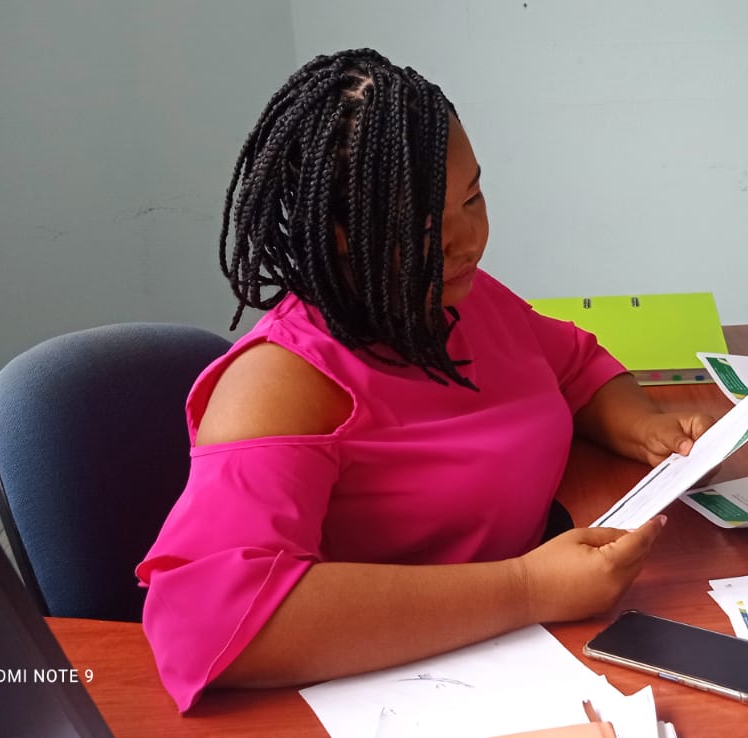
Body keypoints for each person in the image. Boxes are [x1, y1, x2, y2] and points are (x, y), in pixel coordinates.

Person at [137, 49, 715, 711]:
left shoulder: (458, 296)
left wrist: (643, 426)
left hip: (528, 646)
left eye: (473, 198)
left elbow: (575, 363)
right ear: (338, 232)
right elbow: (205, 628)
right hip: (390, 692)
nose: (467, 239)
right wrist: (526, 588)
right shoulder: (280, 381)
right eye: (420, 225)